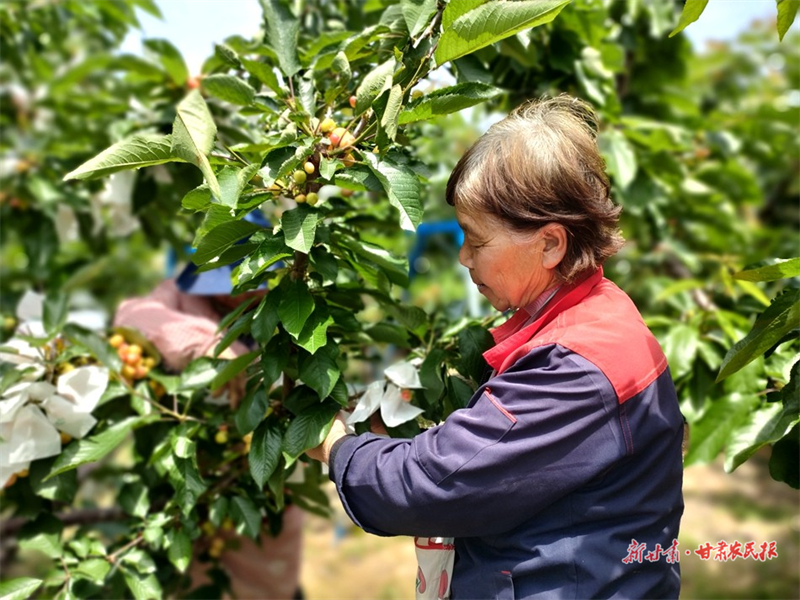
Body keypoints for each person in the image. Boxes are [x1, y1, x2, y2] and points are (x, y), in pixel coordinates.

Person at [307, 96, 684, 599]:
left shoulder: (573, 364)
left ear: (551, 243)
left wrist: (337, 448)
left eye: (477, 240)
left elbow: (432, 485)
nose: (463, 257)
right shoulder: (599, 313)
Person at [114, 212, 304, 600]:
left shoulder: (284, 304)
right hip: (199, 473)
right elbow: (133, 316)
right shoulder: (179, 296)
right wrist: (210, 346)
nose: (237, 293)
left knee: (270, 569)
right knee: (200, 572)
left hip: (267, 472)